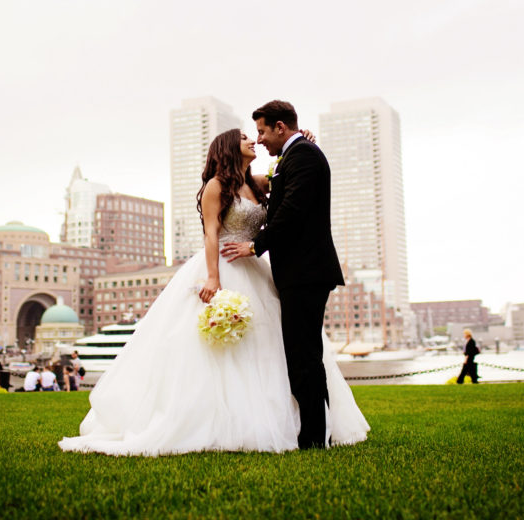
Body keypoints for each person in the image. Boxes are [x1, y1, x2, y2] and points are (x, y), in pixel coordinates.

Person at [59, 123, 368, 456]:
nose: (254, 140)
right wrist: (212, 279)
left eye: (256, 135)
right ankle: (219, 422)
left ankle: (297, 422)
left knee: (275, 345)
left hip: (254, 266)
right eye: (246, 139)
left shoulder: (256, 183)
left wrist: (301, 143)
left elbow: (287, 175)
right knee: (220, 351)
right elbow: (211, 234)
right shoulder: (215, 186)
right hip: (223, 263)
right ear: (229, 148)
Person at [221, 100, 346, 449]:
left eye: (262, 131)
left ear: (280, 127)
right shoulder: (296, 155)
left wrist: (255, 246)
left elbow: (291, 210)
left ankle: (313, 438)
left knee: (303, 357)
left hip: (305, 272)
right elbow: (282, 196)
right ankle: (319, 433)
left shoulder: (303, 154)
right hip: (300, 272)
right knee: (304, 355)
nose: (259, 139)